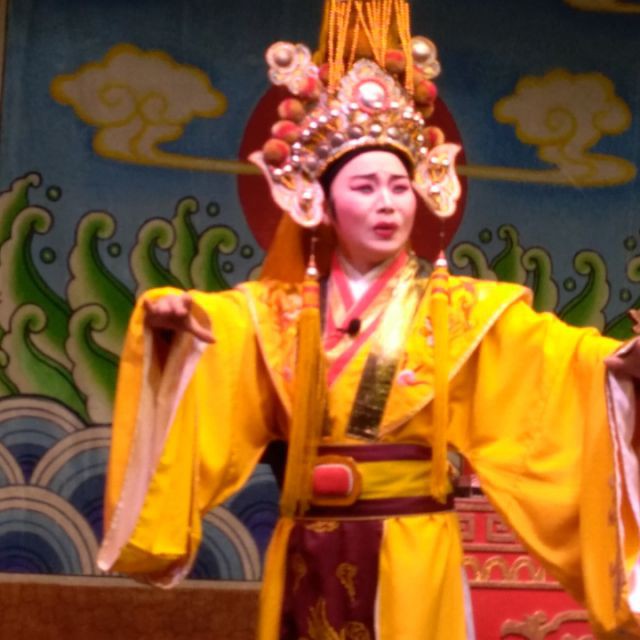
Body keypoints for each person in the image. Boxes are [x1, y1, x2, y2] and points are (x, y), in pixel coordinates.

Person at [97, 2, 640, 639]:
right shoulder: (278, 313)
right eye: (364, 188)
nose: (387, 204)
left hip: (411, 551)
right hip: (305, 545)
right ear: (321, 204)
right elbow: (218, 332)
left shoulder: (461, 310)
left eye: (399, 186)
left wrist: (619, 366)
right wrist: (171, 325)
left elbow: (558, 362)